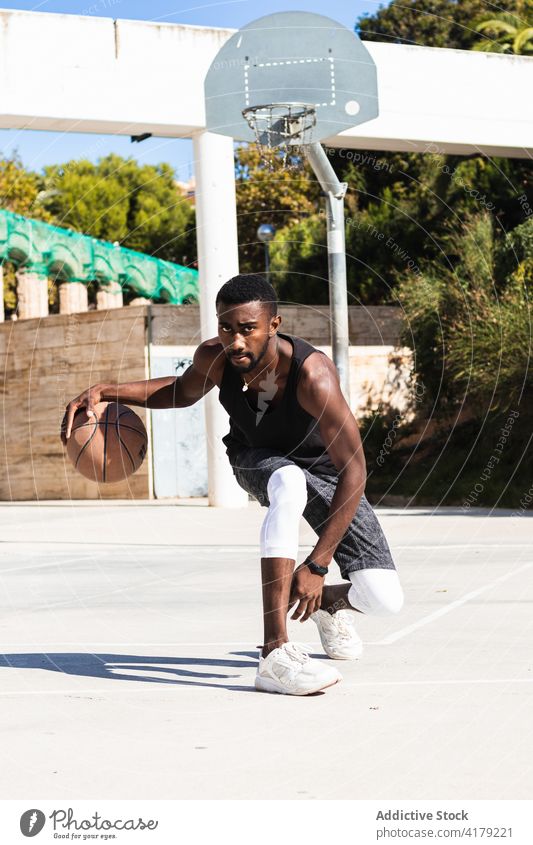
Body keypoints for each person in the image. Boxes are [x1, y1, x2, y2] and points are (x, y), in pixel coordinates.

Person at [61, 274, 404, 696]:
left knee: (384, 598)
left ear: (273, 325)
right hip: (254, 458)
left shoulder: (313, 377)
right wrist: (106, 391)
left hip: (331, 474)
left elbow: (354, 470)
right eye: (227, 327)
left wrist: (317, 566)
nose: (235, 340)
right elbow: (181, 391)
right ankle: (274, 654)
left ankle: (329, 605)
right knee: (289, 482)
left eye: (247, 329)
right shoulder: (216, 357)